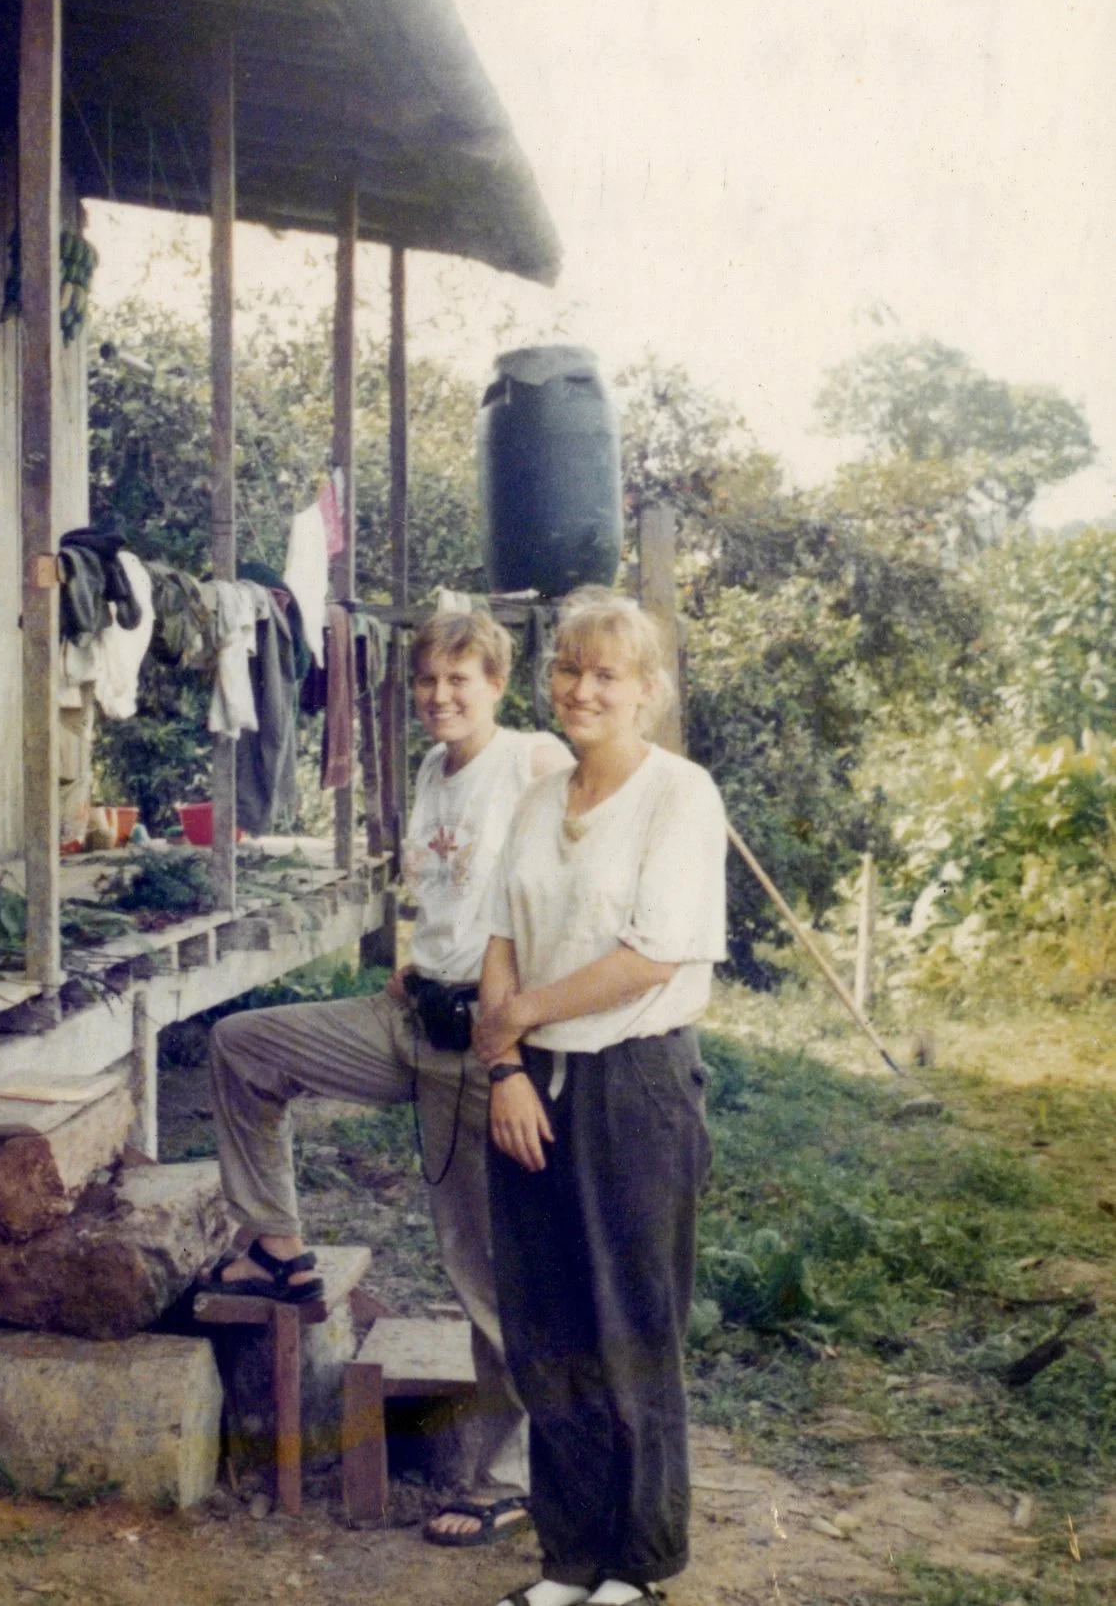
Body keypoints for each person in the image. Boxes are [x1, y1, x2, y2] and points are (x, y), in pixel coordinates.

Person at [208, 608, 570, 1546]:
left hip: (485, 1046)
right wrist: (418, 960)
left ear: (497, 683)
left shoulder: (533, 759)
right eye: (427, 682)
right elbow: (453, 892)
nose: (441, 697)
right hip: (410, 1014)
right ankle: (278, 1245)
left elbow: (572, 882)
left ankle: (505, 1475)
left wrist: (521, 1037)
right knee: (245, 1044)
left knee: (482, 1267)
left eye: (461, 681)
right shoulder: (424, 769)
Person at [472, 587, 727, 1606]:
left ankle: (637, 1560)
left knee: (630, 1320)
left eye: (605, 674)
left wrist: (518, 1015)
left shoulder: (680, 794)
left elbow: (651, 956)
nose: (580, 688)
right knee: (545, 1325)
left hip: (633, 1086)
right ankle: (568, 1556)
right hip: (529, 1084)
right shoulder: (540, 794)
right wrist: (503, 1066)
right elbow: (497, 933)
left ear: (646, 693)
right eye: (568, 669)